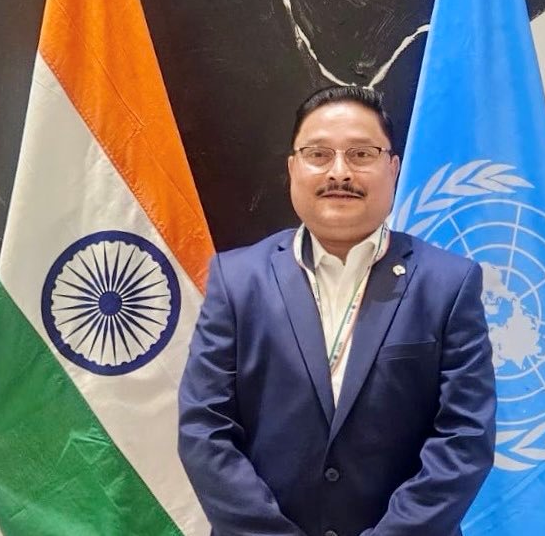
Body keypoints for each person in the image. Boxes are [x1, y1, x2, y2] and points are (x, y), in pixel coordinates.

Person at [178, 86, 496, 536]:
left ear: (393, 168)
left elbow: (465, 439)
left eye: (361, 154)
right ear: (293, 168)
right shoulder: (236, 280)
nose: (340, 172)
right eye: (318, 154)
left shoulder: (449, 283)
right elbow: (204, 429)